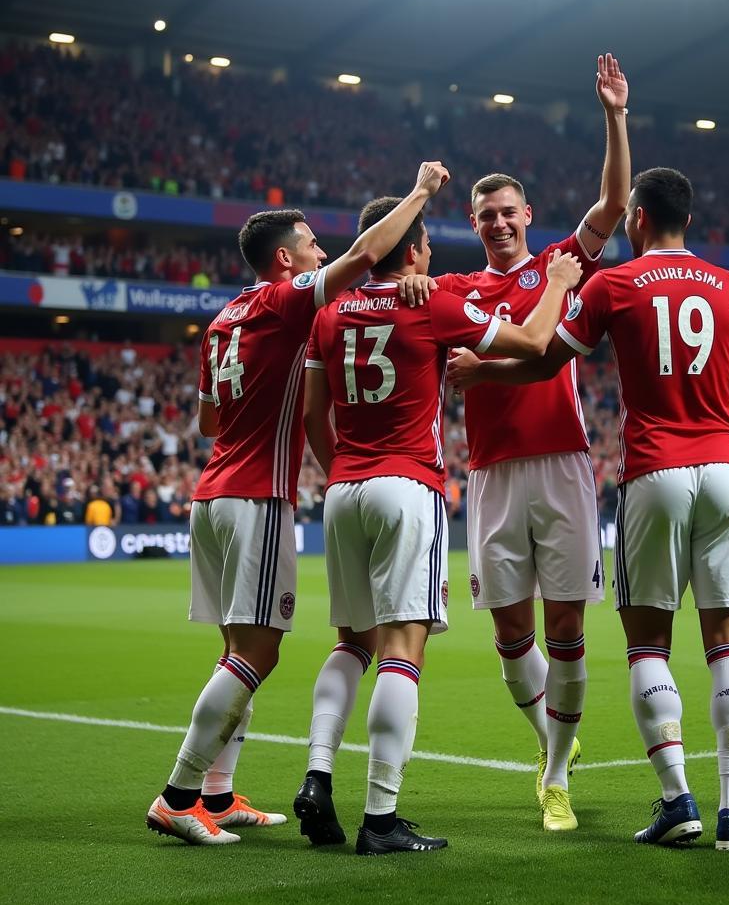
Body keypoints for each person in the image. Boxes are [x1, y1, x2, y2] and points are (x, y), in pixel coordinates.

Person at [451, 167, 729, 850]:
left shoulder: (614, 285)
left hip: (654, 470)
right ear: (688, 219)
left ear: (637, 220)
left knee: (647, 645)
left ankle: (677, 798)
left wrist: (485, 371)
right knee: (727, 643)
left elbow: (543, 362)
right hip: (725, 470)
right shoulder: (728, 285)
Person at [145, 161, 451, 846]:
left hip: (212, 491)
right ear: (285, 259)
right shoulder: (285, 304)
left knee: (236, 650)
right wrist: (422, 191)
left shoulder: (222, 319)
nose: (322, 251)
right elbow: (370, 254)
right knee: (257, 653)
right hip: (256, 496)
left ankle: (218, 796)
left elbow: (206, 423)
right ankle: (178, 793)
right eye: (313, 244)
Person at [294, 194, 584, 854]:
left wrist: (345, 470)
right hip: (407, 482)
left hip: (342, 489)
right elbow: (536, 342)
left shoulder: (329, 311)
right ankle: (380, 817)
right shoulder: (429, 303)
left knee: (351, 642)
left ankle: (317, 774)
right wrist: (560, 285)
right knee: (402, 646)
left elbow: (315, 419)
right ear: (417, 250)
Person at [401, 53, 631, 831]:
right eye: (486, 215)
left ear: (527, 216)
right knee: (510, 632)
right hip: (492, 475)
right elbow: (399, 292)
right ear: (473, 224)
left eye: (509, 212)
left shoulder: (560, 264)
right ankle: (550, 745)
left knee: (566, 627)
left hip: (564, 463)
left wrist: (613, 114)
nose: (499, 223)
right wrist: (404, 276)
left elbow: (615, 201)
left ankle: (558, 776)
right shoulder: (459, 290)